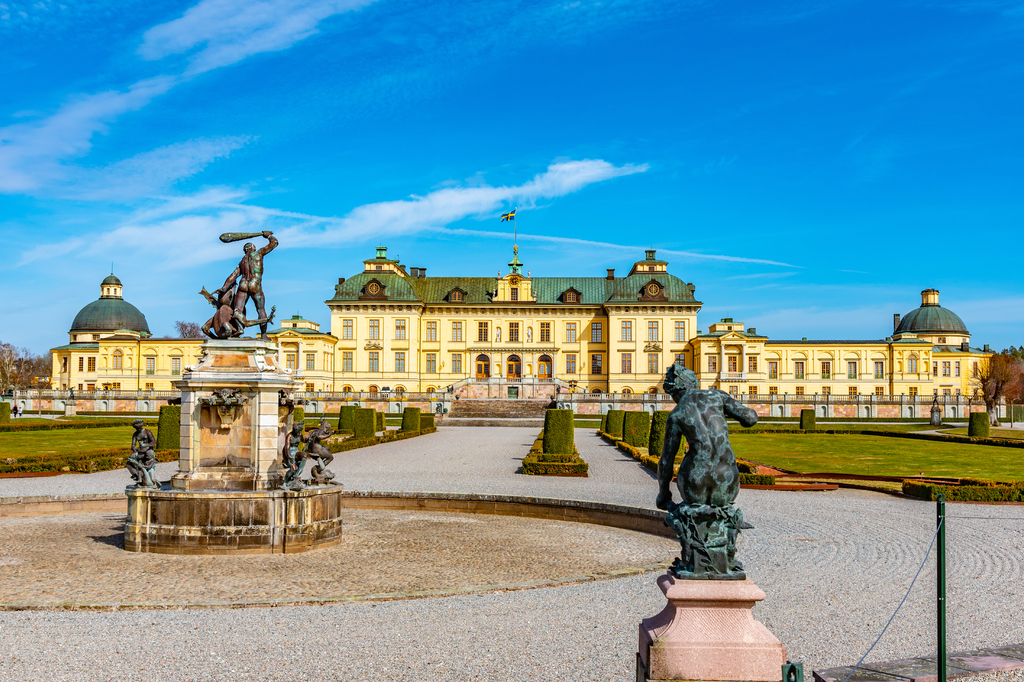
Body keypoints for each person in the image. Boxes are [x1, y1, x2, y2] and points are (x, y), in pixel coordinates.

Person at [656, 362, 758, 579]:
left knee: (692, 512)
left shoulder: (677, 414)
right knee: (723, 512)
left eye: (672, 394)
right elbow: (751, 418)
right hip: (727, 478)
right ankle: (724, 560)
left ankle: (696, 562)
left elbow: (666, 461)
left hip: (695, 479)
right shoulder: (717, 396)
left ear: (679, 390)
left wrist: (663, 493)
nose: (673, 399)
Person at [217, 231, 278, 340]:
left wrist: (224, 288)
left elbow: (233, 276)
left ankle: (240, 328)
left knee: (237, 310)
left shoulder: (242, 262)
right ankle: (263, 335)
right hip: (255, 284)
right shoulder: (259, 253)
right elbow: (275, 243)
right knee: (260, 310)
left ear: (245, 250)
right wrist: (268, 236)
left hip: (243, 284)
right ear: (253, 248)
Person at [127, 419, 159, 489]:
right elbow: (133, 445)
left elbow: (153, 442)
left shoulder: (147, 432)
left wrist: (145, 445)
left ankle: (145, 478)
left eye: (138, 428)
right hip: (139, 452)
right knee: (129, 462)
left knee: (147, 466)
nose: (137, 429)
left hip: (148, 451)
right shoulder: (135, 434)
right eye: (136, 428)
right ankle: (136, 476)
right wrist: (134, 448)